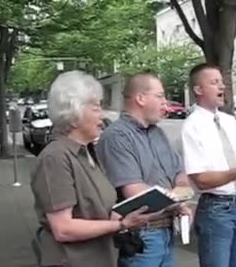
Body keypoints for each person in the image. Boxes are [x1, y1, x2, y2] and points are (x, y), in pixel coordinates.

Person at [30, 71, 155, 267]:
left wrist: (119, 213)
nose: (102, 115)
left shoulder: (88, 151)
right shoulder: (55, 157)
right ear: (73, 113)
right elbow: (63, 229)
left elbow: (94, 207)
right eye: (96, 108)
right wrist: (120, 225)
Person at [96, 72, 193, 267]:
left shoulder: (158, 134)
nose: (165, 103)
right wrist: (177, 200)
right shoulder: (117, 137)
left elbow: (181, 175)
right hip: (141, 236)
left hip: (166, 233)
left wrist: (179, 192)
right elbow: (135, 192)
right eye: (159, 96)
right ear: (140, 99)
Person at [181, 63, 236, 267]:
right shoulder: (192, 126)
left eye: (222, 82)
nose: (222, 87)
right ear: (198, 90)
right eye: (214, 82)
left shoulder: (229, 121)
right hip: (216, 209)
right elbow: (201, 180)